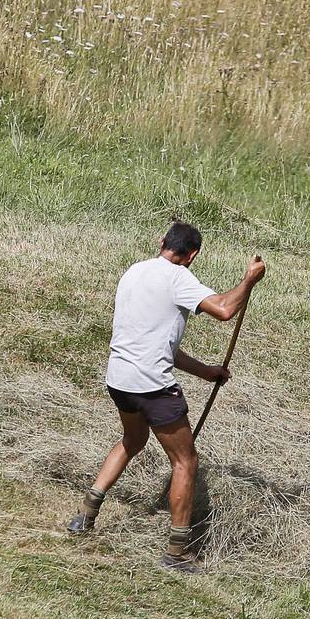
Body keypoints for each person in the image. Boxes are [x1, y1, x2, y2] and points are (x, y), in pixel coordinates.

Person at [66, 221, 266, 574]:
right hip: (152, 386)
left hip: (119, 378)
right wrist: (249, 280)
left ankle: (86, 513)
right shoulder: (178, 278)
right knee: (186, 461)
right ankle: (176, 553)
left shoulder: (134, 271)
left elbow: (160, 345)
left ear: (162, 242)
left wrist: (206, 371)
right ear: (193, 255)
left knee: (132, 440)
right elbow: (223, 309)